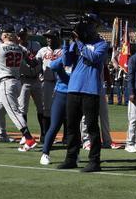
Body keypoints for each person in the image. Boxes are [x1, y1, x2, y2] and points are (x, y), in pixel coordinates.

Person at [58, 17, 108, 173]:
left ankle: (94, 161)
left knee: (92, 127)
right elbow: (66, 61)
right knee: (72, 126)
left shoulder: (102, 45)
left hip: (91, 90)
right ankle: (71, 158)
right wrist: (66, 43)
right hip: (73, 89)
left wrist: (78, 42)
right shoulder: (75, 44)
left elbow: (93, 58)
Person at [0, 30, 38, 150]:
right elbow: (33, 62)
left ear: (5, 36)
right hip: (17, 82)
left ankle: (29, 139)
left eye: (2, 34)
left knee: (14, 112)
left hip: (6, 83)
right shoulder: (20, 47)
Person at [38, 35, 72, 166]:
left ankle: (73, 153)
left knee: (73, 126)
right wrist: (64, 58)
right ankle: (45, 153)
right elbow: (52, 65)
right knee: (54, 125)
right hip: (61, 92)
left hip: (74, 93)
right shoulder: (63, 56)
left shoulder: (80, 58)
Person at [17, 28, 45, 132]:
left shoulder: (36, 44)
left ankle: (44, 133)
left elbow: (41, 61)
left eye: (23, 35)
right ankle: (25, 134)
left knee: (41, 108)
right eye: (19, 35)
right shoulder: (16, 48)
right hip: (24, 80)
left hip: (37, 79)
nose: (21, 37)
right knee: (22, 109)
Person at [35, 29, 62, 134]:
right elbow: (35, 63)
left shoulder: (63, 50)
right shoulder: (42, 50)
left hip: (61, 83)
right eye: (47, 37)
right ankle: (45, 135)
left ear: (57, 38)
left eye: (50, 37)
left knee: (63, 110)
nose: (48, 39)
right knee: (46, 109)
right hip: (47, 83)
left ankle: (65, 137)